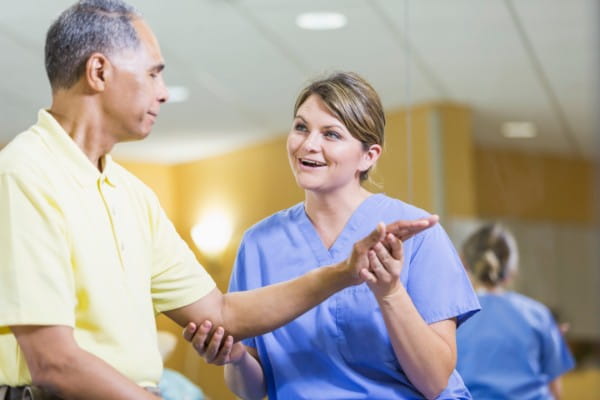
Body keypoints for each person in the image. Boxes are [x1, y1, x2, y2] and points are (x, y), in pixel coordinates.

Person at [0, 2, 438, 399]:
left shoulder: (133, 195)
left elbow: (221, 311)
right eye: (154, 73)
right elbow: (53, 361)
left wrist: (344, 272)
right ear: (99, 71)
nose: (164, 91)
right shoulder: (25, 173)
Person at [184, 72, 481, 399]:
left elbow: (434, 380)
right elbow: (254, 392)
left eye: (331, 134)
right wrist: (236, 357)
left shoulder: (417, 234)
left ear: (369, 156)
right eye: (301, 127)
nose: (309, 144)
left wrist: (390, 292)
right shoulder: (259, 244)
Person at [456, 223, 575, 399]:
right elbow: (555, 391)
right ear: (512, 269)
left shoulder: (453, 317)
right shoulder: (538, 315)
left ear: (463, 261)